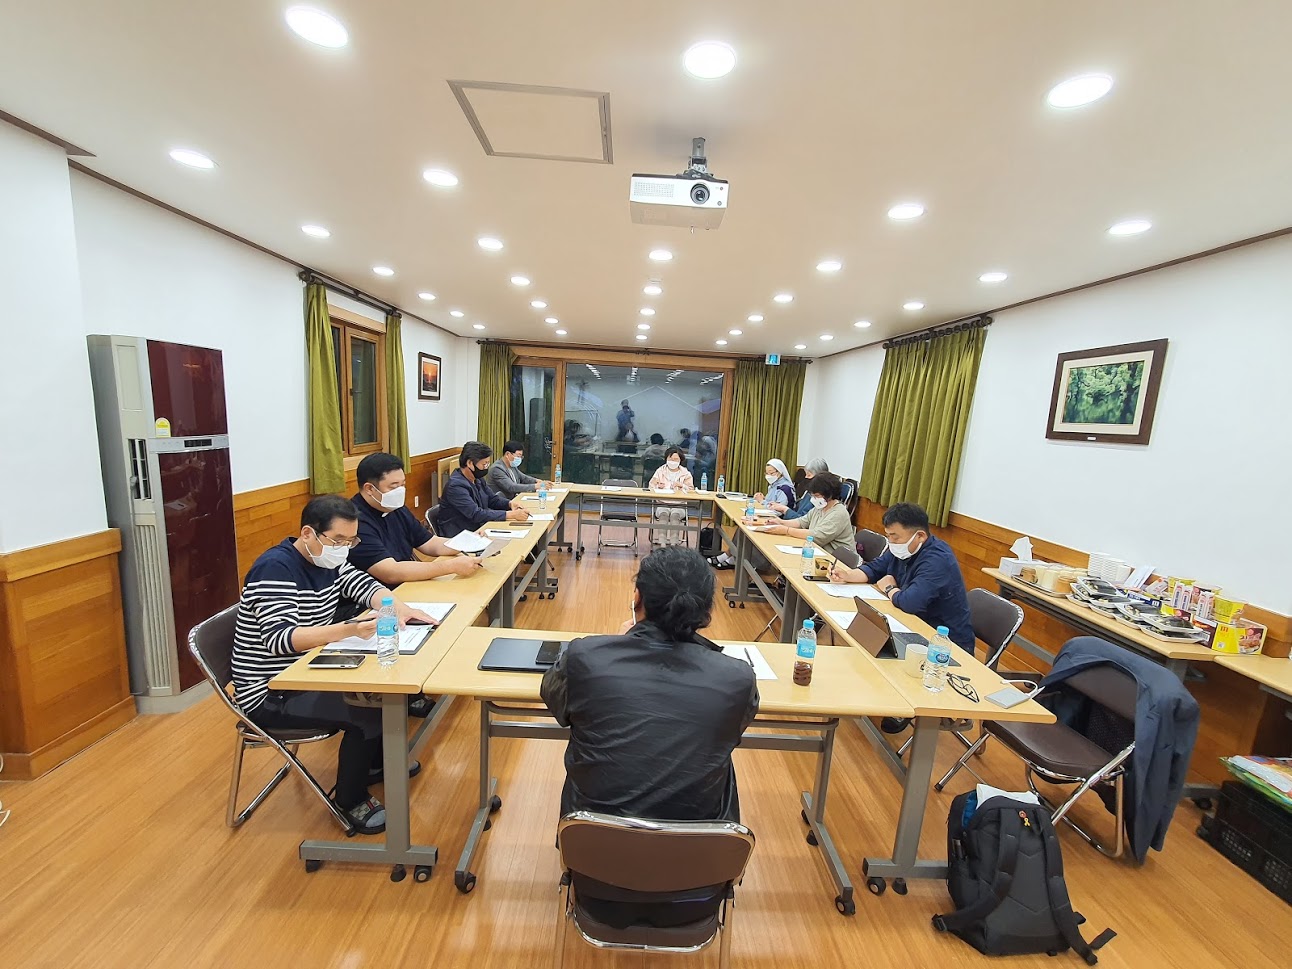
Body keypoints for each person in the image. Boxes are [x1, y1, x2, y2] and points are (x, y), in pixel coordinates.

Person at [232, 495, 439, 835]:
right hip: (271, 690)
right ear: (308, 533)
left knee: (383, 692)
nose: (344, 549)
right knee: (367, 710)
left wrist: (400, 609)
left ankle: (372, 765)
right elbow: (280, 640)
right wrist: (349, 630)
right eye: (338, 540)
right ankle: (349, 798)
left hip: (309, 668)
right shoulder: (275, 568)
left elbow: (365, 586)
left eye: (350, 541)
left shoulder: (329, 559)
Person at [540, 543, 758, 823]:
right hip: (697, 844)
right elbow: (732, 728)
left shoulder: (585, 657)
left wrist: (618, 646)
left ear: (637, 597)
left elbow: (556, 701)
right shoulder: (738, 678)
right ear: (706, 613)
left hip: (593, 841)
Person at [829, 501, 973, 734]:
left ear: (920, 536)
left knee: (875, 639)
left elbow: (910, 602)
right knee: (866, 632)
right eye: (888, 536)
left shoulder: (937, 560)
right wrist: (847, 575)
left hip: (943, 643)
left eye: (895, 537)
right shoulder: (903, 549)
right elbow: (876, 568)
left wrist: (889, 589)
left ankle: (905, 702)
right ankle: (882, 692)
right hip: (911, 624)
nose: (891, 542)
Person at [348, 452, 484, 585]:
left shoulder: (394, 507)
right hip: (385, 592)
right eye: (394, 486)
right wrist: (450, 567)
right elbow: (390, 572)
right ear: (369, 489)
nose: (400, 491)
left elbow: (429, 543)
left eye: (403, 485)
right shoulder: (353, 521)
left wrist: (469, 541)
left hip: (410, 581)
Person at [438, 441, 532, 538]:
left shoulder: (477, 479)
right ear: (470, 463)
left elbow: (492, 499)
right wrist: (511, 515)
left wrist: (509, 504)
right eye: (484, 464)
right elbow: (476, 514)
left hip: (479, 529)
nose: (486, 467)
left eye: (488, 464)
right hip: (459, 535)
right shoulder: (456, 486)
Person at [759, 472, 854, 559]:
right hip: (819, 552)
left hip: (838, 560)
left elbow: (816, 536)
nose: (813, 499)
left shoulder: (838, 513)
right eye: (812, 495)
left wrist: (786, 530)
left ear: (829, 495)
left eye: (817, 496)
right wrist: (781, 522)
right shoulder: (820, 507)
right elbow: (801, 522)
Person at [647, 446, 694, 546]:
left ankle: (674, 544)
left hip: (680, 504)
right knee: (663, 515)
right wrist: (657, 486)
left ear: (680, 460)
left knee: (675, 516)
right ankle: (662, 544)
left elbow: (691, 490)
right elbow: (651, 486)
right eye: (670, 459)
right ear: (666, 459)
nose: (673, 461)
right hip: (662, 503)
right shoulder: (660, 471)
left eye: (675, 459)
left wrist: (682, 485)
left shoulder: (685, 473)